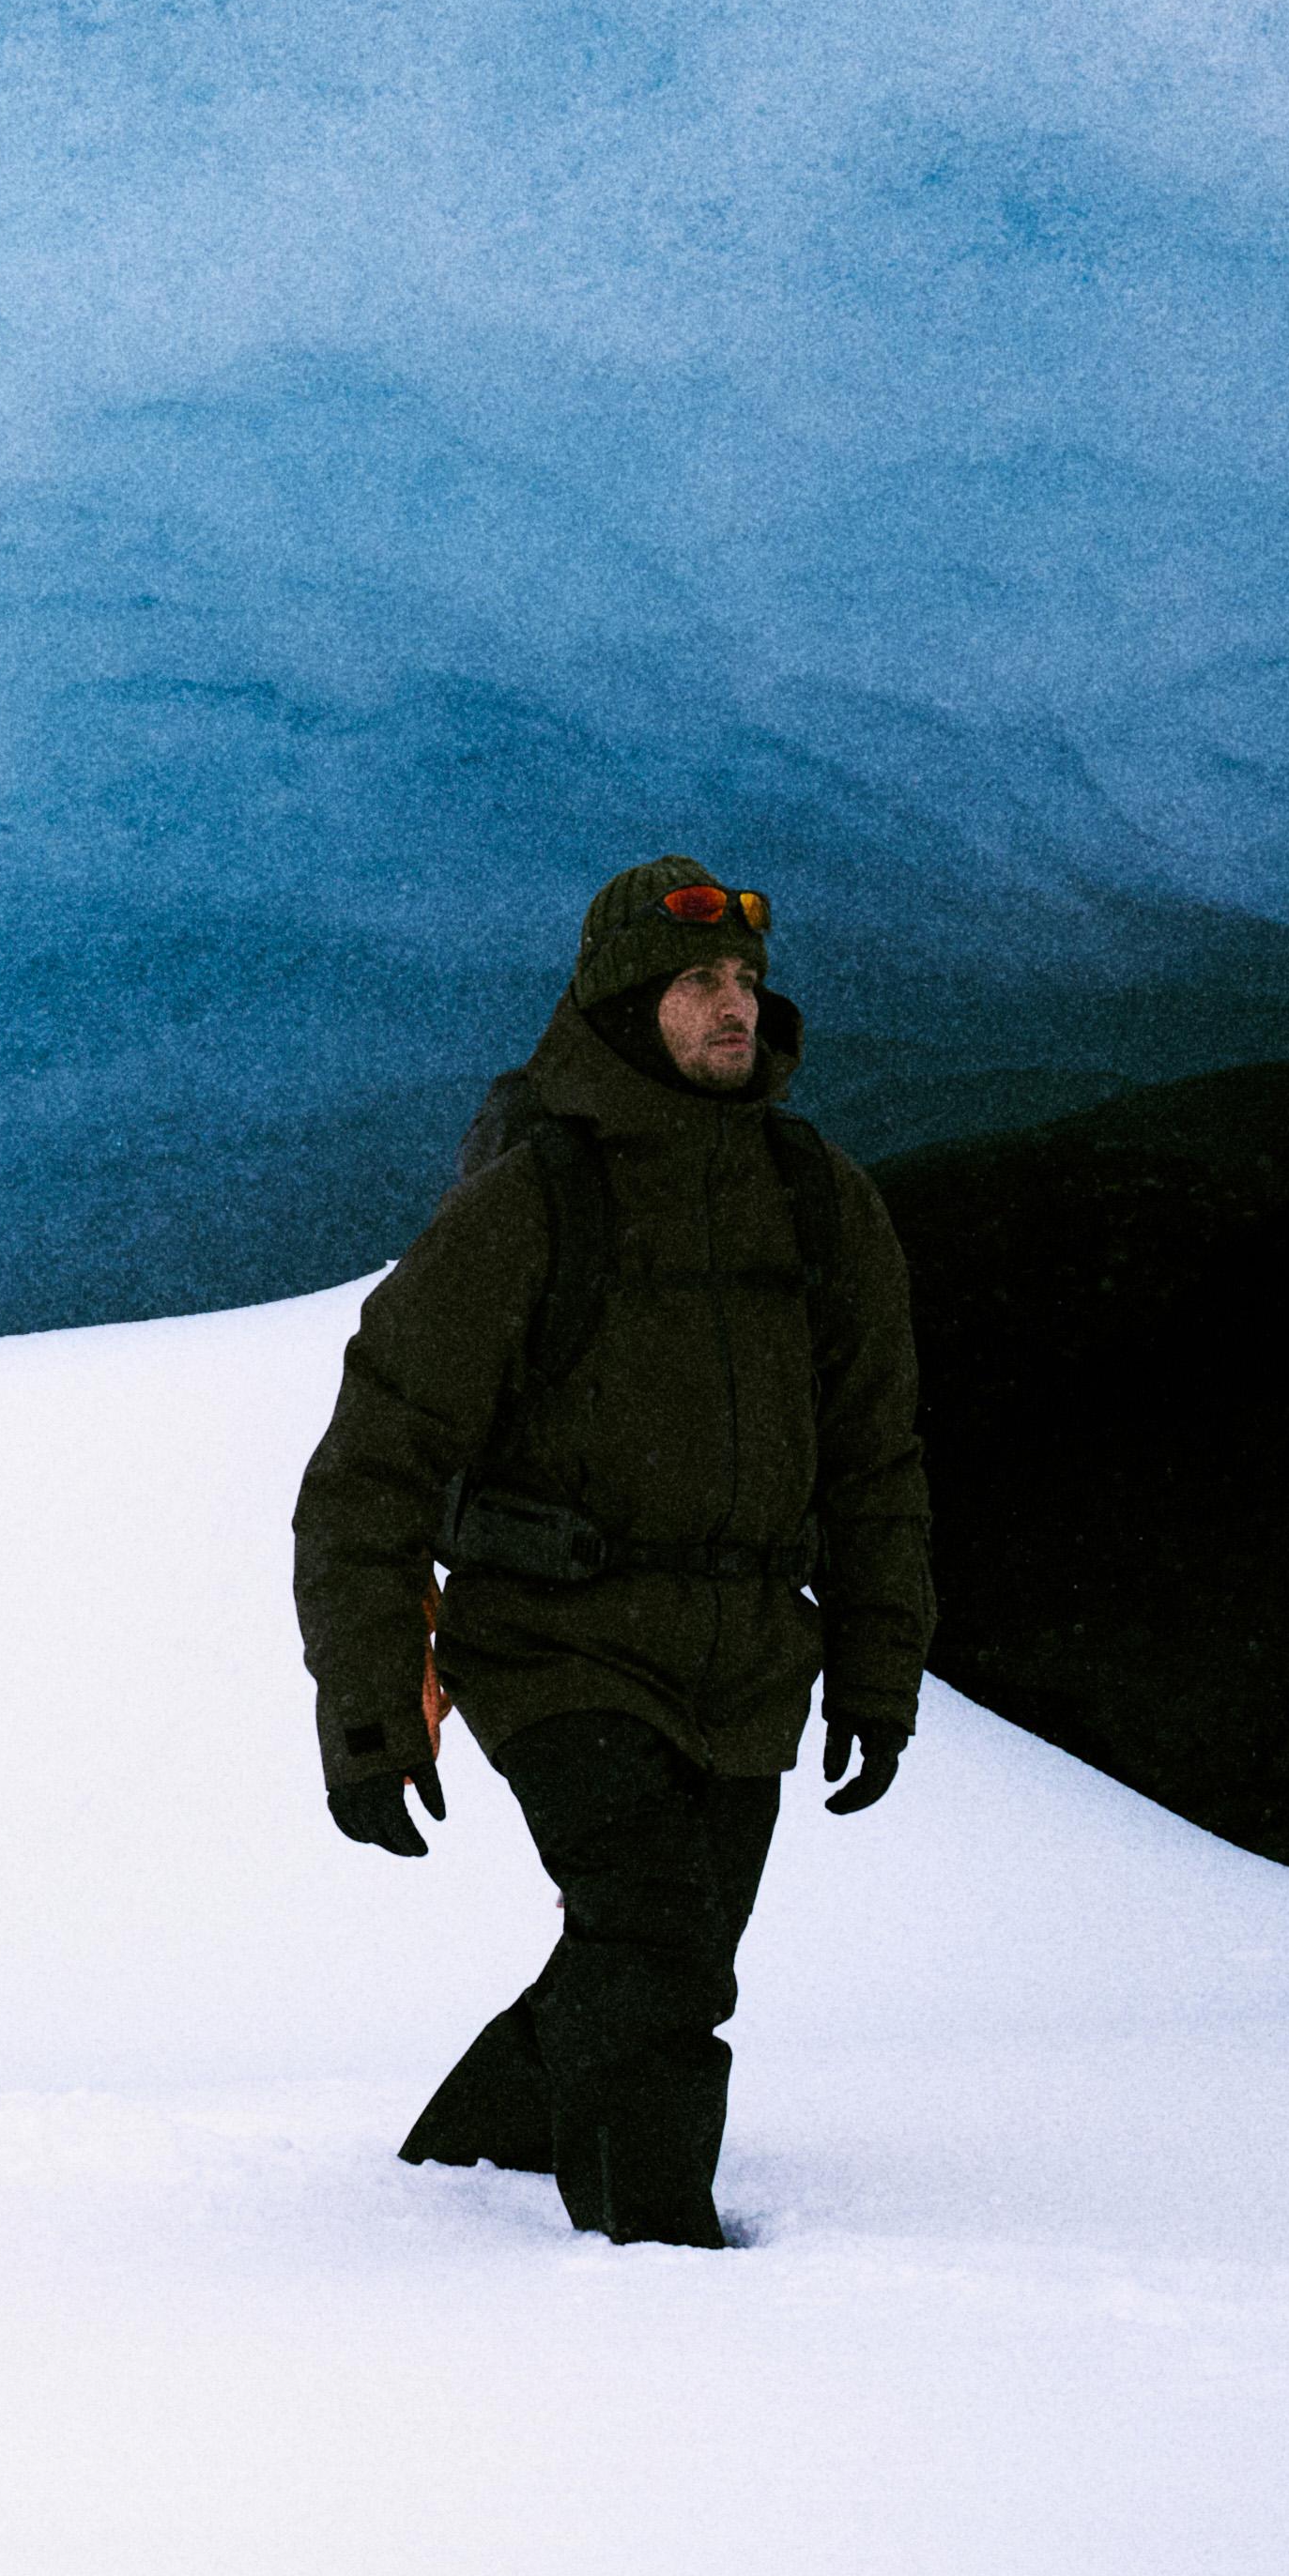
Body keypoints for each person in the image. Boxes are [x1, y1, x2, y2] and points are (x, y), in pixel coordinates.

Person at [292, 857, 929, 2248]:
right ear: (626, 1004)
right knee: (654, 1939)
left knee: (656, 1953)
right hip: (553, 1641)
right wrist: (365, 1711)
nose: (731, 1008)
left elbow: (878, 1463)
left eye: (746, 983)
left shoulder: (819, 1200)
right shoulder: (534, 1200)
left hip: (746, 1660)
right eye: (698, 981)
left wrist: (878, 1679)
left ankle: (460, 2175)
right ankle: (660, 2267)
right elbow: (369, 1466)